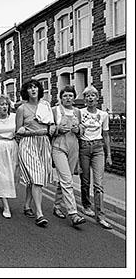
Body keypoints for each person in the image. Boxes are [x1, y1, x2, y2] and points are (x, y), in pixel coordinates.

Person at [16, 79, 55, 227]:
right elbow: (18, 132)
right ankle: (39, 213)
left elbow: (51, 126)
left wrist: (51, 129)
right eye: (30, 88)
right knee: (37, 176)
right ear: (26, 91)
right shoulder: (22, 109)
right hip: (28, 144)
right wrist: (33, 131)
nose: (33, 90)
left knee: (35, 178)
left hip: (43, 143)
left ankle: (27, 205)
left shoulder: (45, 106)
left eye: (35, 88)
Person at [50, 86, 86, 227]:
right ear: (61, 97)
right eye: (65, 96)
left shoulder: (77, 111)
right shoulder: (55, 110)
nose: (68, 98)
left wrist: (79, 130)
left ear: (74, 97)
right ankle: (73, 213)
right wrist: (58, 129)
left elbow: (82, 129)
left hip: (73, 147)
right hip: (59, 146)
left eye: (70, 95)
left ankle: (57, 206)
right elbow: (50, 129)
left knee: (67, 179)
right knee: (66, 179)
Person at [78, 85, 113, 229]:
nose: (90, 98)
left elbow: (106, 135)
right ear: (85, 99)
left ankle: (101, 216)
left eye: (93, 95)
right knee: (85, 181)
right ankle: (86, 205)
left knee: (98, 184)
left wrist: (109, 154)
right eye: (87, 96)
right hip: (84, 147)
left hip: (98, 148)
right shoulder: (79, 113)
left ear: (97, 98)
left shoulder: (103, 115)